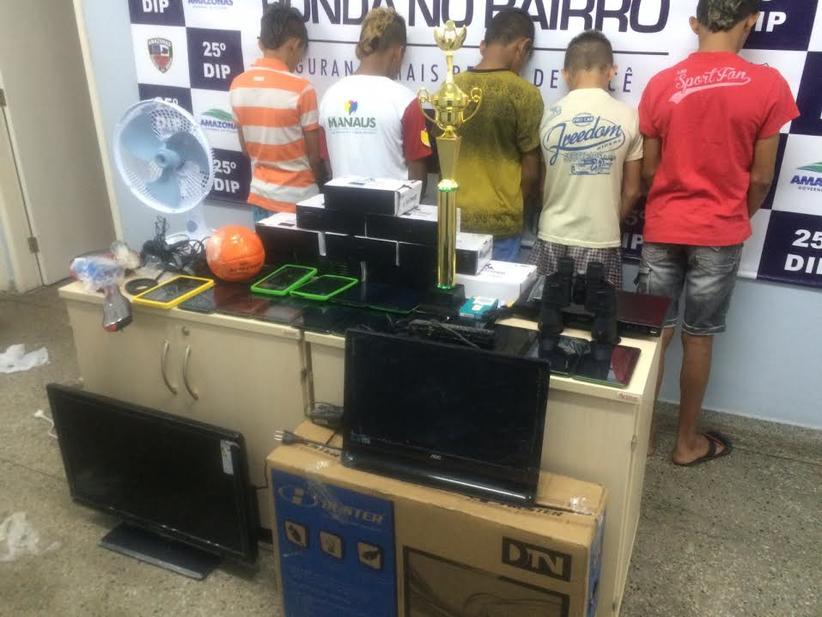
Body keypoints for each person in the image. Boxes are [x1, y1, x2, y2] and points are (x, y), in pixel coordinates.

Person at [638, 0, 799, 466]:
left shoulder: (661, 83)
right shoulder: (768, 84)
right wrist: (732, 217)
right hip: (719, 230)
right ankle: (686, 443)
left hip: (663, 224)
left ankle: (639, 439)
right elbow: (762, 178)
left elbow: (648, 171)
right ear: (751, 21)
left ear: (695, 24)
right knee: (699, 337)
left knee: (653, 335)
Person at [530, 30, 643, 288]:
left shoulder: (549, 115)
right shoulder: (629, 116)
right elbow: (633, 190)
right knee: (596, 311)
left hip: (551, 234)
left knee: (545, 309)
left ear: (565, 73)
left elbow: (543, 184)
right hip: (601, 238)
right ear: (612, 71)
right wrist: (609, 221)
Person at [453, 8, 544, 262]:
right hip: (502, 223)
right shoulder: (525, 94)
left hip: (454, 216)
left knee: (451, 287)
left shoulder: (452, 88)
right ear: (522, 46)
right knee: (498, 289)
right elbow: (531, 171)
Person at [230, 4, 324, 222]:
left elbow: (246, 150)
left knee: (266, 247)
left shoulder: (238, 85)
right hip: (300, 201)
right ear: (295, 45)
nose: (300, 61)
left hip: (260, 199)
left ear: (260, 44)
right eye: (301, 54)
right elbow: (314, 157)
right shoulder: (302, 89)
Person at [319, 8, 431, 183]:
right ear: (398, 52)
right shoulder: (406, 100)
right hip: (392, 201)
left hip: (339, 200)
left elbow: (328, 163)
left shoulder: (329, 97)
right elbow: (418, 177)